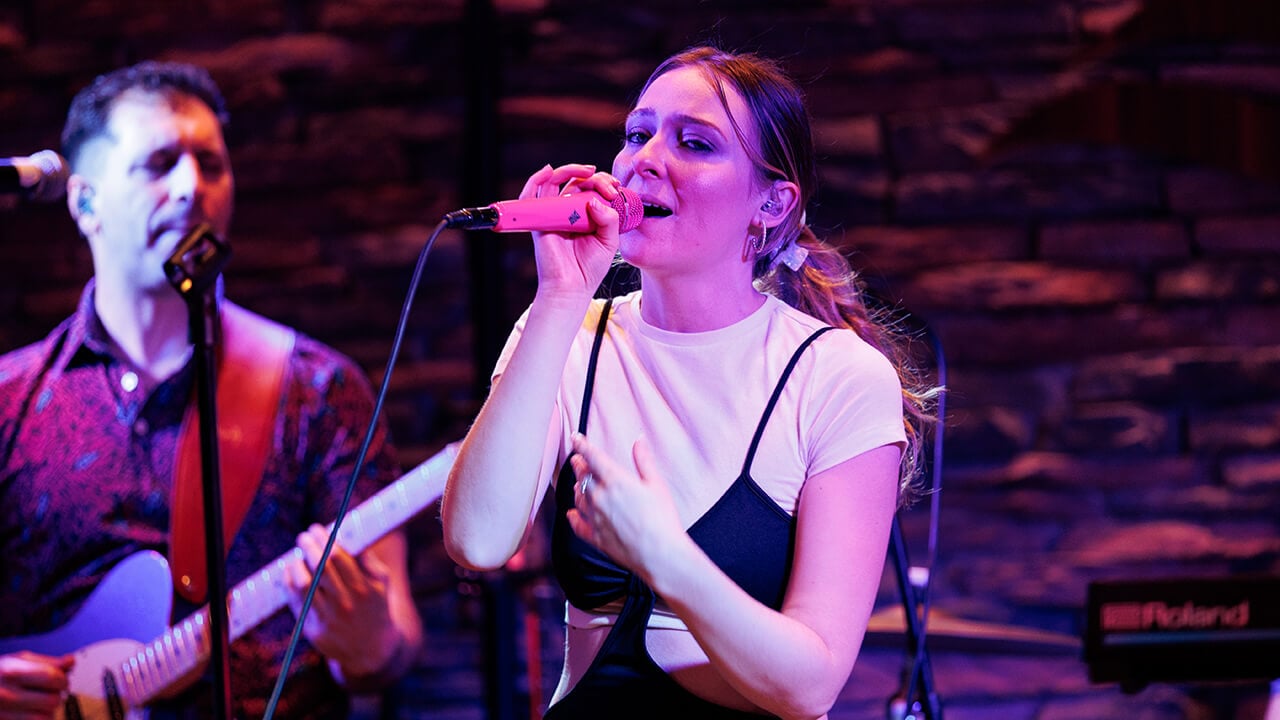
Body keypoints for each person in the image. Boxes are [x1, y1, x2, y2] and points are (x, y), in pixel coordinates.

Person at [442, 45, 935, 719]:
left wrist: (662, 556)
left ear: (772, 200)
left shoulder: (836, 376)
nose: (643, 159)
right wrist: (559, 294)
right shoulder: (568, 332)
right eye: (638, 134)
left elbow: (810, 682)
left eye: (695, 143)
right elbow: (477, 538)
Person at [0, 61, 422, 719]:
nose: (192, 187)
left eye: (211, 164)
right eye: (159, 163)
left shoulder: (314, 388)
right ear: (84, 203)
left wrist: (370, 645)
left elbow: (392, 642)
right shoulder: (11, 399)